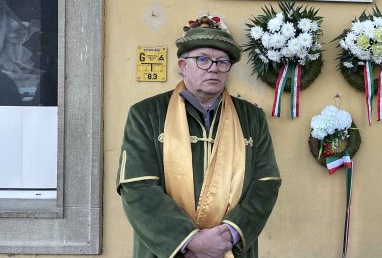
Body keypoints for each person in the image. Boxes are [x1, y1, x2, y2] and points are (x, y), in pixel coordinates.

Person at [117, 16, 281, 258]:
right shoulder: (146, 114)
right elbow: (137, 186)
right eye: (203, 59)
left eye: (223, 62)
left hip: (229, 249)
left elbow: (265, 183)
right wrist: (189, 241)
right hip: (169, 250)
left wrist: (229, 235)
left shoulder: (252, 118)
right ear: (183, 66)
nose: (214, 68)